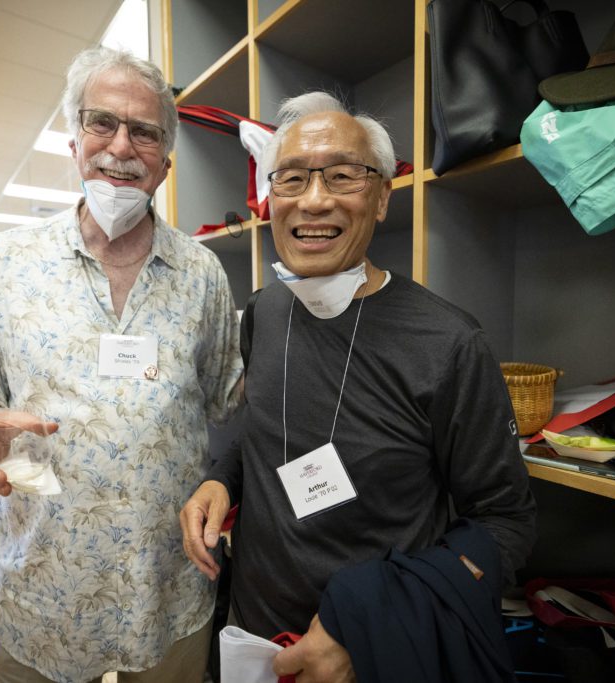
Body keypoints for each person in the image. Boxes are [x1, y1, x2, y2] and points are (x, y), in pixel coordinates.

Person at [180, 92, 536, 682]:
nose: (314, 200)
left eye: (343, 176)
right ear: (271, 199)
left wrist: (372, 624)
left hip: (373, 652)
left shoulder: (448, 344)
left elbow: (506, 523)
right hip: (253, 640)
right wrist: (221, 478)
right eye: (291, 178)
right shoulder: (263, 313)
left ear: (381, 198)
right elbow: (263, 427)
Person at [0, 46, 243, 683]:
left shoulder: (204, 276)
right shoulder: (2, 266)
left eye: (144, 132)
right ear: (74, 140)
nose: (121, 146)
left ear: (165, 161)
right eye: (101, 122)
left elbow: (230, 406)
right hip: (43, 586)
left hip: (166, 588)